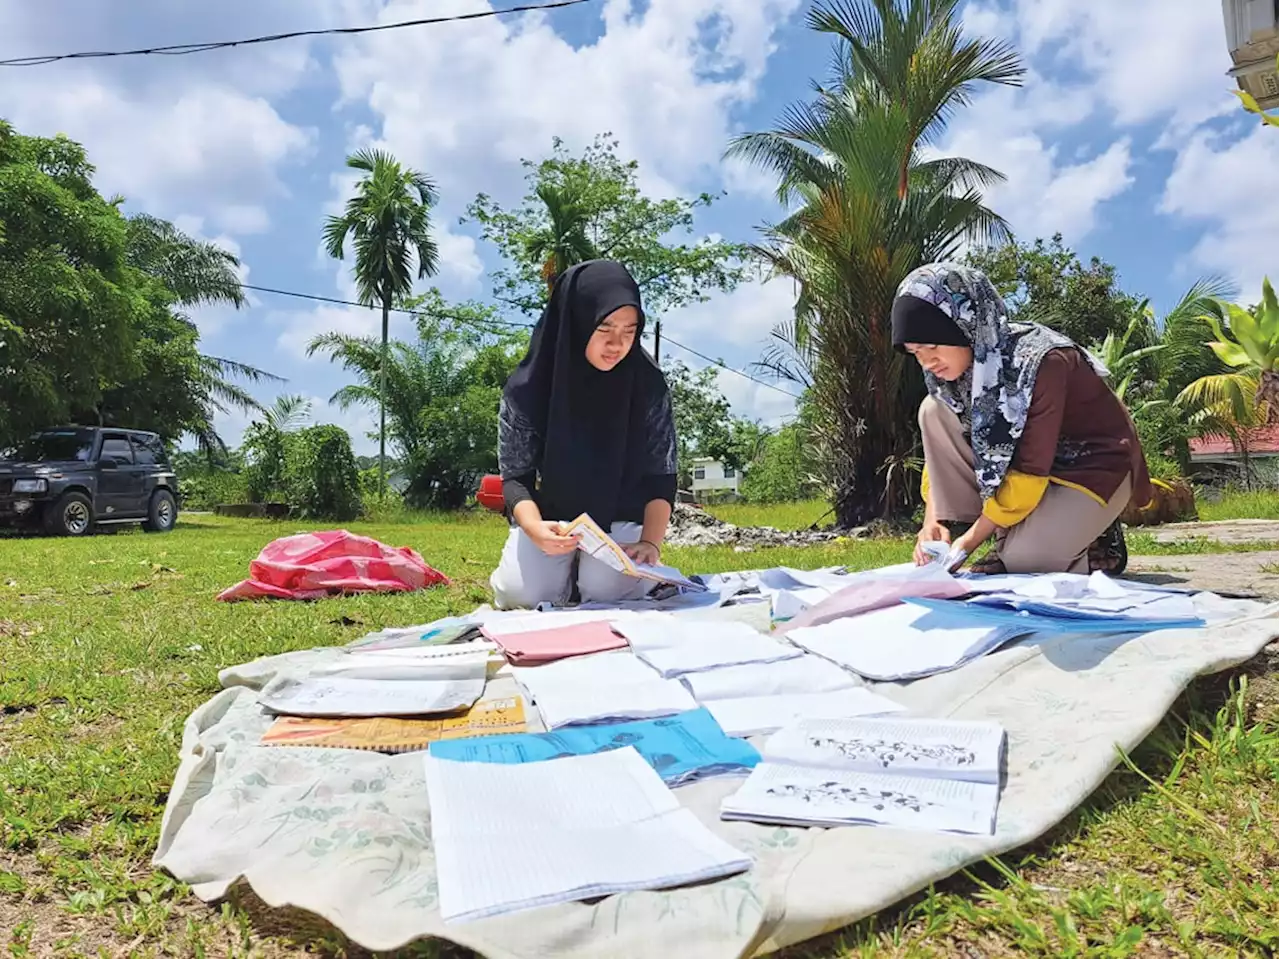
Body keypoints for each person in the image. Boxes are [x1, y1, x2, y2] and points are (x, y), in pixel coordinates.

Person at [892, 262, 1151, 576]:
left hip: (1092, 469)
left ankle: (1097, 534)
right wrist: (934, 522)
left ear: (965, 323)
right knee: (932, 409)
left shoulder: (1042, 362)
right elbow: (939, 461)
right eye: (914, 351)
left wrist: (967, 543)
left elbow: (1029, 469)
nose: (926, 361)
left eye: (931, 345)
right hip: (1027, 473)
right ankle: (1021, 532)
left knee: (1026, 562)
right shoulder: (953, 378)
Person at [489, 259, 677, 610]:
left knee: (606, 589)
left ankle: (586, 578)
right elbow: (516, 477)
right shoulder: (528, 388)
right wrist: (533, 529)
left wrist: (651, 543)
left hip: (623, 517)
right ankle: (562, 575)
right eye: (605, 329)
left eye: (630, 331)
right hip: (553, 519)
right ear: (576, 323)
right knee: (522, 595)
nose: (617, 344)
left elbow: (662, 475)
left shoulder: (647, 384)